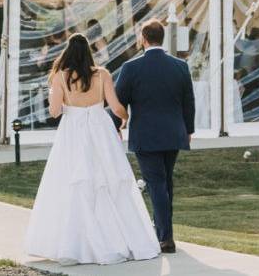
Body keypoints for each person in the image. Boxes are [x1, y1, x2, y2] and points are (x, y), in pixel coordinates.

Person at [25, 33, 159, 265]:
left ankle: (75, 245)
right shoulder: (103, 74)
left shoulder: (59, 76)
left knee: (73, 182)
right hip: (100, 129)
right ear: (89, 52)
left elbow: (55, 112)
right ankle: (119, 239)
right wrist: (124, 118)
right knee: (107, 181)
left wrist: (55, 97)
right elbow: (116, 106)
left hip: (73, 132)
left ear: (68, 52)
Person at [115, 19, 195, 254]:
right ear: (162, 37)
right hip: (173, 133)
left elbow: (119, 101)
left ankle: (165, 236)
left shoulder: (131, 68)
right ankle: (161, 228)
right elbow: (188, 102)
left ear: (143, 38)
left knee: (157, 185)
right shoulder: (180, 66)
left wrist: (116, 123)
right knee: (166, 183)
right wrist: (188, 130)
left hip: (146, 135)